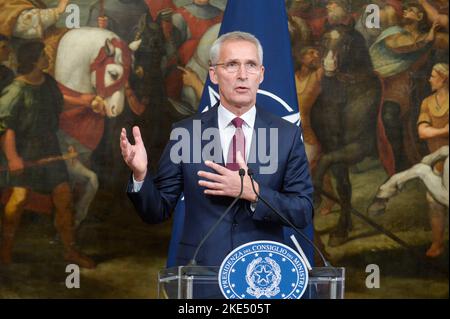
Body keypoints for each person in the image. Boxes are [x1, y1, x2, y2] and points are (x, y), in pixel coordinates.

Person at [121, 31, 314, 267]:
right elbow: (156, 212)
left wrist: (253, 192)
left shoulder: (287, 135)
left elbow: (302, 211)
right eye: (232, 65)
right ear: (213, 73)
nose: (242, 75)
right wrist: (141, 175)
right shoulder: (186, 133)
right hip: (201, 273)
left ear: (261, 75)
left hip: (263, 275)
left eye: (251, 65)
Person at [0, 41, 95, 268]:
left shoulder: (48, 82)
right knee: (19, 199)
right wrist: (13, 158)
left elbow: (59, 104)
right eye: (43, 55)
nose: (47, 57)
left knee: (64, 198)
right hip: (25, 152)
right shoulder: (15, 90)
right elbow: (6, 128)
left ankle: (70, 250)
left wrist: (83, 103)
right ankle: (5, 249)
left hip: (51, 148)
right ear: (33, 59)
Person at [417, 63, 449, 257]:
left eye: (433, 76)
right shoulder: (427, 102)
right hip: (437, 163)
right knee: (433, 201)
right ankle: (438, 244)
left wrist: (434, 132)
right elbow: (422, 132)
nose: (429, 79)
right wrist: (445, 131)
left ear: (443, 78)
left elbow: (428, 131)